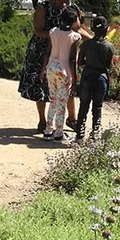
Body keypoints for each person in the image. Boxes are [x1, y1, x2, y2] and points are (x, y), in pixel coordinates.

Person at [18, 0, 91, 132]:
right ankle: (43, 121)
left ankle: (71, 119)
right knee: (42, 86)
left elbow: (77, 28)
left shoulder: (72, 8)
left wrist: (92, 40)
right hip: (41, 51)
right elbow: (38, 30)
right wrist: (57, 35)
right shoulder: (43, 7)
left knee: (68, 83)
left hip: (63, 52)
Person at [40, 8, 81, 143]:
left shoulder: (53, 32)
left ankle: (48, 130)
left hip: (51, 69)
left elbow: (48, 52)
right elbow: (72, 59)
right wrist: (74, 78)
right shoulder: (74, 37)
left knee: (53, 100)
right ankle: (59, 133)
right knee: (62, 103)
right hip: (64, 72)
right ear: (74, 21)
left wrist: (43, 70)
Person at [75, 15, 115, 144]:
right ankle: (94, 134)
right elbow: (108, 65)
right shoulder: (109, 46)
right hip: (101, 79)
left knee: (83, 106)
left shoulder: (86, 45)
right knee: (97, 107)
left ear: (92, 29)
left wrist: (89, 61)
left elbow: (80, 62)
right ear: (107, 29)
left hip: (87, 77)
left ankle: (80, 134)